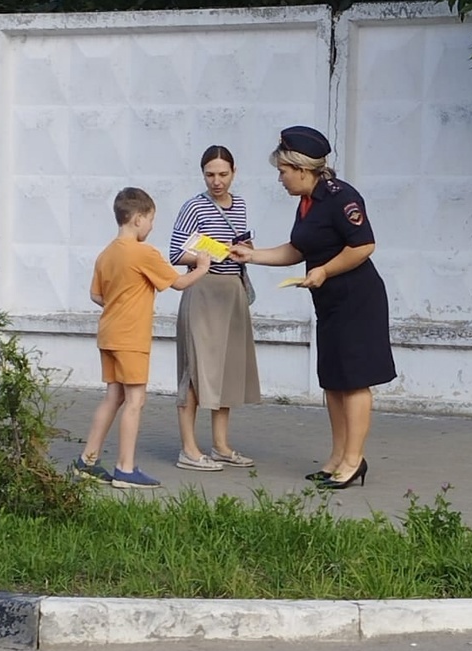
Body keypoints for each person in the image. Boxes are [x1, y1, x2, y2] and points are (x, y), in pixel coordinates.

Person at [229, 126, 396, 488]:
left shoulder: (340, 197)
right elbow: (297, 249)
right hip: (329, 303)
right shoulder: (307, 203)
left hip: (357, 299)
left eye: (283, 171)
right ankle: (336, 457)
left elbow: (364, 246)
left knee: (354, 382)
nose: (280, 179)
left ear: (302, 169)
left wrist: (324, 270)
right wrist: (252, 255)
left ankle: (354, 460)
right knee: (333, 383)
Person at [75, 186, 211, 489]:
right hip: (131, 336)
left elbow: (96, 295)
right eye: (151, 219)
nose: (151, 226)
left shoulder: (106, 253)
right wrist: (202, 266)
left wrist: (119, 302)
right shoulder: (144, 253)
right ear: (138, 218)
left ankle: (87, 460)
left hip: (108, 333)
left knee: (114, 395)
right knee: (135, 399)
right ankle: (125, 467)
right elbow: (178, 283)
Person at [169, 145, 261, 472]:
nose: (217, 181)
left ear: (234, 173)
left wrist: (242, 250)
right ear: (202, 174)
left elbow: (240, 248)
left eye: (223, 174)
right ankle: (189, 449)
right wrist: (208, 256)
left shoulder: (240, 206)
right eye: (210, 174)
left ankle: (221, 445)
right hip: (203, 292)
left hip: (232, 292)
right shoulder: (194, 206)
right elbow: (175, 252)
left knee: (225, 369)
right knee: (195, 369)